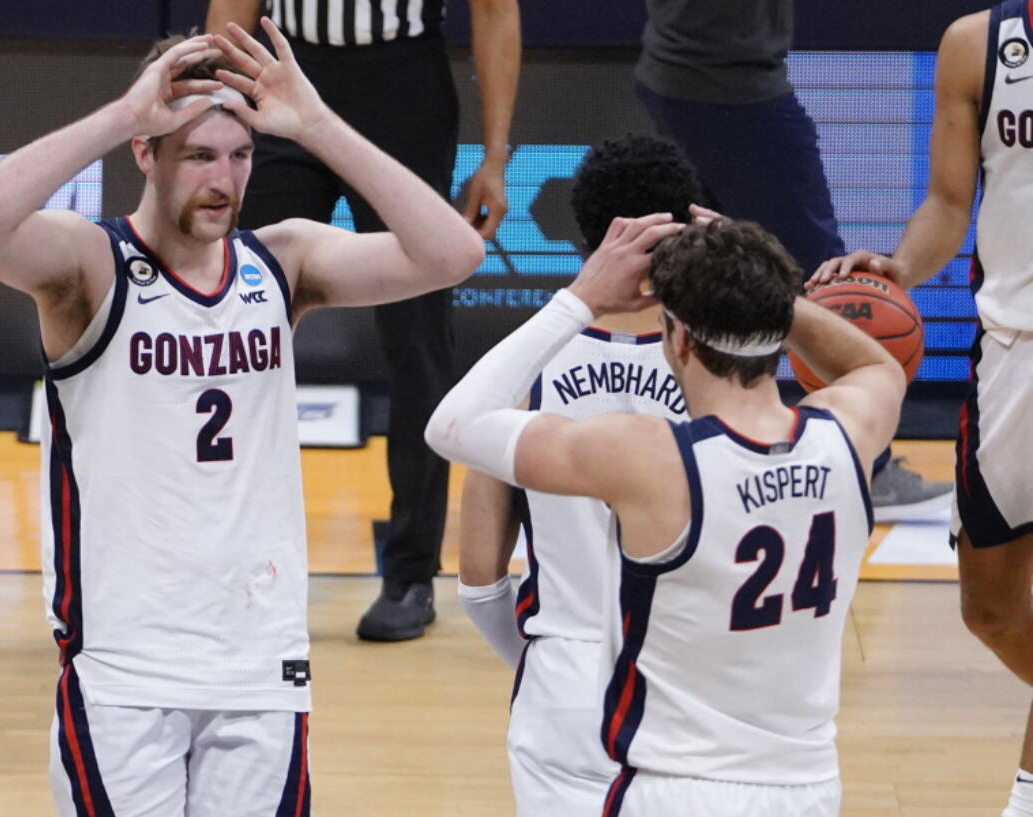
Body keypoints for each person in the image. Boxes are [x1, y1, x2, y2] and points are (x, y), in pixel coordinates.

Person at [0, 21, 483, 816]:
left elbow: (452, 255)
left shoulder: (282, 260)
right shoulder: (91, 265)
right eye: (199, 154)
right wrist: (122, 113)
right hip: (127, 665)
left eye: (240, 156)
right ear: (147, 153)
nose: (224, 179)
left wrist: (316, 125)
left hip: (259, 659)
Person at [428, 214, 906, 816]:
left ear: (678, 338)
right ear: (780, 325)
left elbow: (453, 424)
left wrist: (579, 299)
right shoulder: (849, 434)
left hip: (679, 788)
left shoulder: (652, 459)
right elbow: (879, 368)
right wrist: (768, 289)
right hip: (807, 786)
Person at [205, 0, 520, 642]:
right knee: (237, 320)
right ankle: (223, 562)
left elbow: (494, 10)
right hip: (284, 66)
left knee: (416, 338)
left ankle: (410, 573)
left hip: (402, 85)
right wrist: (212, 120)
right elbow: (231, 11)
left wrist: (494, 157)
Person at [809, 5, 1033, 814]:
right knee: (991, 609)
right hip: (1013, 351)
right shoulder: (978, 44)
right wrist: (898, 266)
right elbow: (948, 199)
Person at [457, 134, 700, 816]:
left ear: (586, 228)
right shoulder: (726, 363)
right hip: (690, 673)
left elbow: (478, 581)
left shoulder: (525, 362)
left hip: (562, 678)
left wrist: (543, 661)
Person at [635, 0, 951, 521]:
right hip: (727, 82)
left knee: (695, 270)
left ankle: (706, 451)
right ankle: (865, 468)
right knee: (824, 281)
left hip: (680, 69)